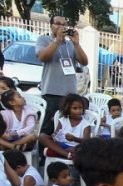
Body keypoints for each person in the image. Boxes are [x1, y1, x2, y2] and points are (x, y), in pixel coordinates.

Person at [36, 16, 88, 155]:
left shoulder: (70, 44)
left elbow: (84, 61)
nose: (62, 27)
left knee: (65, 127)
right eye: (58, 24)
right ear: (51, 25)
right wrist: (57, 41)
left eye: (64, 24)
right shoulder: (44, 40)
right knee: (48, 127)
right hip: (52, 91)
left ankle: (64, 152)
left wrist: (77, 44)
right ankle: (44, 156)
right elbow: (42, 57)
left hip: (70, 93)